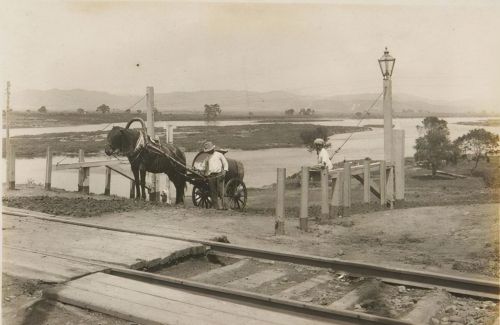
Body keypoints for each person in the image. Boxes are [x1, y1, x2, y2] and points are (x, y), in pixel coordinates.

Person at [202, 141, 229, 210]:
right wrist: (200, 170)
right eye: (208, 151)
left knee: (221, 191)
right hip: (211, 175)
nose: (209, 151)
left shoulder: (219, 154)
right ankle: (215, 207)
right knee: (213, 191)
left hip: (219, 174)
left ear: (212, 149)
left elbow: (225, 163)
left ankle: (225, 206)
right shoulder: (207, 157)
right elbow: (204, 166)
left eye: (210, 150)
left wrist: (225, 171)